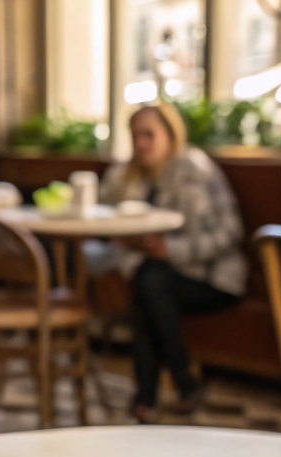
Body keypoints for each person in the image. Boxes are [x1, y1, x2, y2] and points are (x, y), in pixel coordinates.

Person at [100, 102, 246, 422]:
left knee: (150, 282)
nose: (141, 143)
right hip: (159, 278)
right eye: (136, 135)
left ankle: (153, 393)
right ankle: (174, 388)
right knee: (148, 283)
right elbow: (105, 210)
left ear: (170, 135)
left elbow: (230, 233)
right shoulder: (131, 176)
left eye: (149, 134)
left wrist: (171, 250)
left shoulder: (195, 169)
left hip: (213, 277)